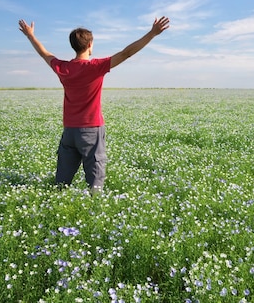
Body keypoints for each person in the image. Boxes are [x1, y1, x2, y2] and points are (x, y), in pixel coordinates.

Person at [18, 16, 170, 193]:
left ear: (73, 46)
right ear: (90, 45)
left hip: (69, 130)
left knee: (62, 178)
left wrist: (31, 36)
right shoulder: (95, 67)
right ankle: (94, 205)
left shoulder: (63, 68)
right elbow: (126, 53)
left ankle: (56, 199)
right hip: (91, 129)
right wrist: (151, 34)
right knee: (95, 175)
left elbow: (45, 54)